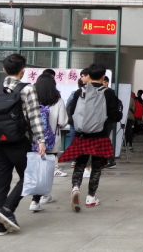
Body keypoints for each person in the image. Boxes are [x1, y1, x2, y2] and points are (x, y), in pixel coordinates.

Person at [0, 54, 46, 235]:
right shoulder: (28, 89)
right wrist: (41, 140)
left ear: (4, 70)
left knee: (1, 182)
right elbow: (34, 117)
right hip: (18, 141)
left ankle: (0, 227)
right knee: (30, 176)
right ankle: (7, 209)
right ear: (23, 71)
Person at [60, 63, 119, 213]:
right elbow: (115, 115)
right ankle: (91, 197)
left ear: (88, 76)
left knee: (80, 163)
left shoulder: (79, 92)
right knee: (97, 166)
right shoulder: (108, 93)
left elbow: (71, 112)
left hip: (82, 135)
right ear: (103, 76)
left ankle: (75, 187)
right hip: (100, 135)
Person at [29, 73, 69, 212]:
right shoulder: (58, 100)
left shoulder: (32, 100)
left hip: (33, 141)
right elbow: (63, 121)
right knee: (47, 170)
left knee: (37, 170)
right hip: (52, 141)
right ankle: (41, 197)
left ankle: (37, 198)